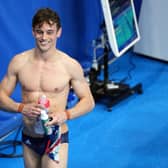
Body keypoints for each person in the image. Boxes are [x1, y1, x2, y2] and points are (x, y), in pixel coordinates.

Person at [0, 8, 95, 168]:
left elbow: (89, 101)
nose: (44, 37)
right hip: (29, 136)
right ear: (33, 32)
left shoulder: (69, 66)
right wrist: (21, 108)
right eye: (40, 32)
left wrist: (66, 114)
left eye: (50, 32)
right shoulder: (19, 62)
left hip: (56, 137)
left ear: (59, 32)